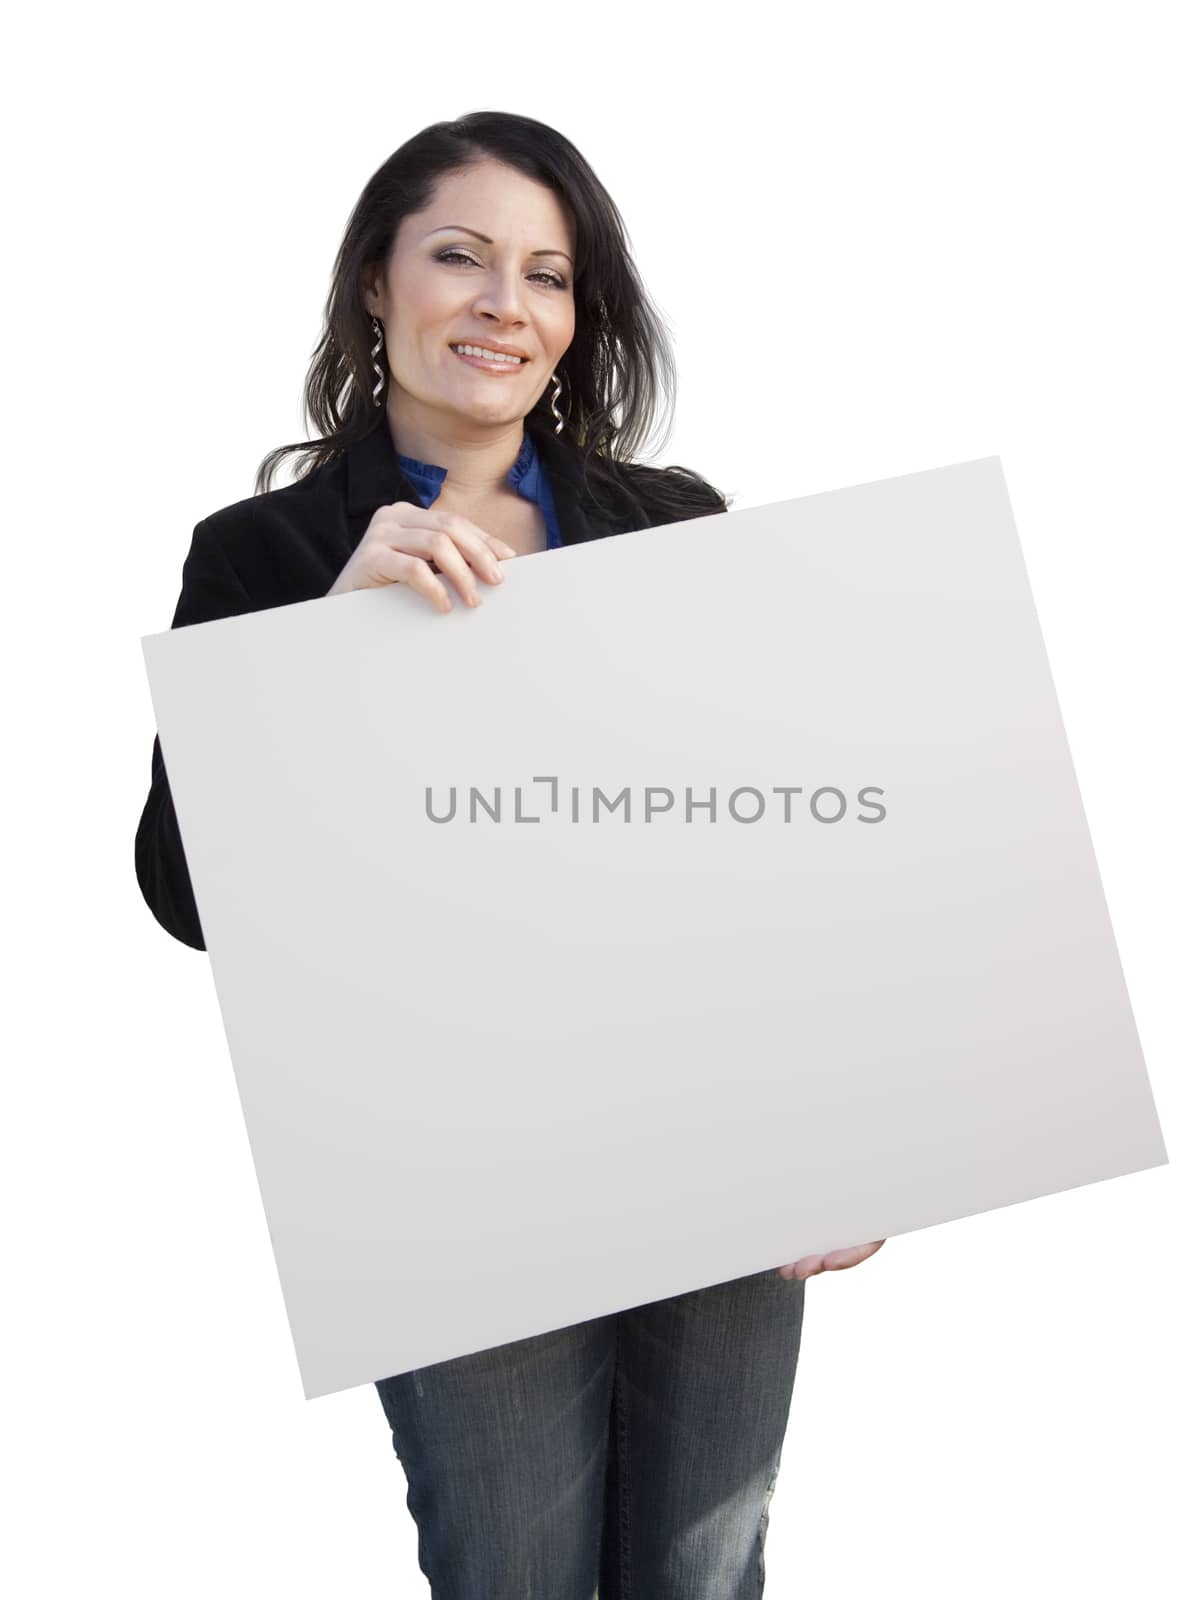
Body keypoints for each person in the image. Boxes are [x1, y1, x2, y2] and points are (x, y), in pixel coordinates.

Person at [134, 110, 885, 1598]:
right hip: (449, 1172)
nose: (504, 304)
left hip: (708, 1130)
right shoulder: (265, 556)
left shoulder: (671, 527)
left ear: (575, 320)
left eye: (547, 276)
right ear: (376, 283)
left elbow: (767, 864)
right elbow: (187, 895)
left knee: (705, 1570)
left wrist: (853, 1126)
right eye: (461, 257)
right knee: (512, 1575)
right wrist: (324, 659)